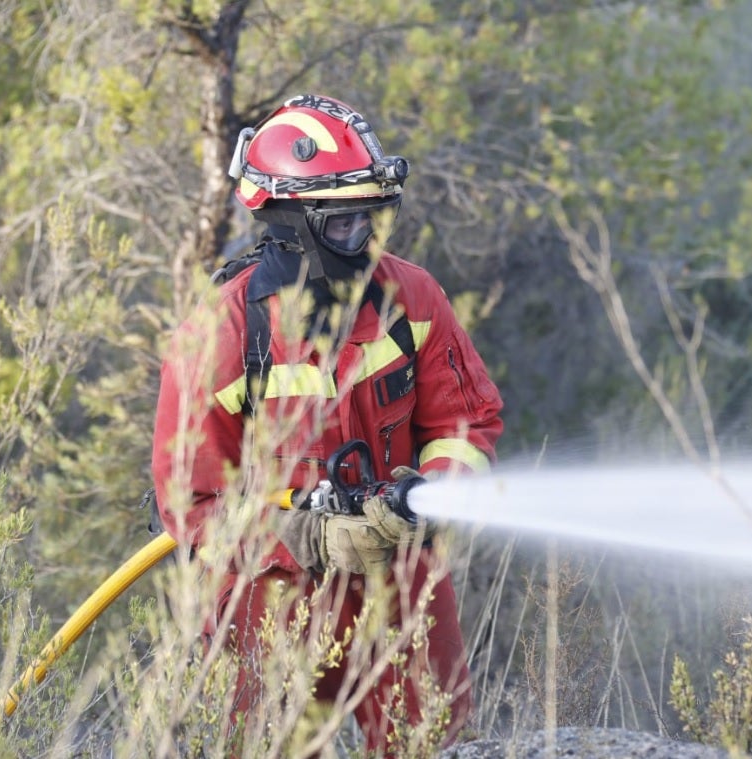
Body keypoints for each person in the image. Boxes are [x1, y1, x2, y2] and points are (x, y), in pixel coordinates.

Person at [151, 93, 504, 755]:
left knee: (432, 742)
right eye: (345, 225)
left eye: (373, 219)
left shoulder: (412, 296)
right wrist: (306, 534)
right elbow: (189, 502)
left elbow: (468, 419)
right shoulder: (220, 334)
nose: (365, 240)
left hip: (399, 573)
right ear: (290, 223)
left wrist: (426, 493)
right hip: (272, 594)